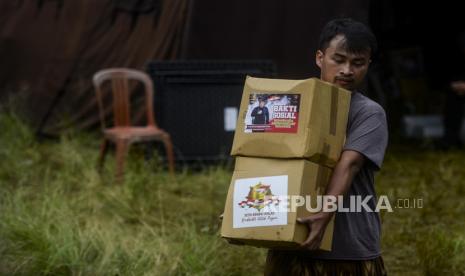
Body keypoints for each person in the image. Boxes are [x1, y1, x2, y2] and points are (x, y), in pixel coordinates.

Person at [264, 18, 388, 275]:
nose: (347, 70)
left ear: (368, 65)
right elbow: (265, 157)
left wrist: (324, 213)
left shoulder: (368, 113)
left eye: (358, 63)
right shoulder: (292, 104)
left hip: (347, 247)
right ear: (320, 58)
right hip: (292, 237)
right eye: (338, 59)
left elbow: (349, 164)